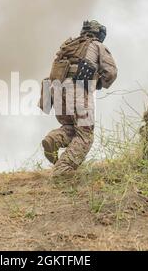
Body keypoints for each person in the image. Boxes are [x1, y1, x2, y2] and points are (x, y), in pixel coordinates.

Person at [40, 20, 118, 177]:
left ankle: (53, 139)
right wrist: (99, 83)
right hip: (79, 91)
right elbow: (111, 72)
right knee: (85, 135)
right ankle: (63, 170)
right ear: (99, 34)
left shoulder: (67, 46)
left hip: (57, 91)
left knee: (70, 126)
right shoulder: (97, 46)